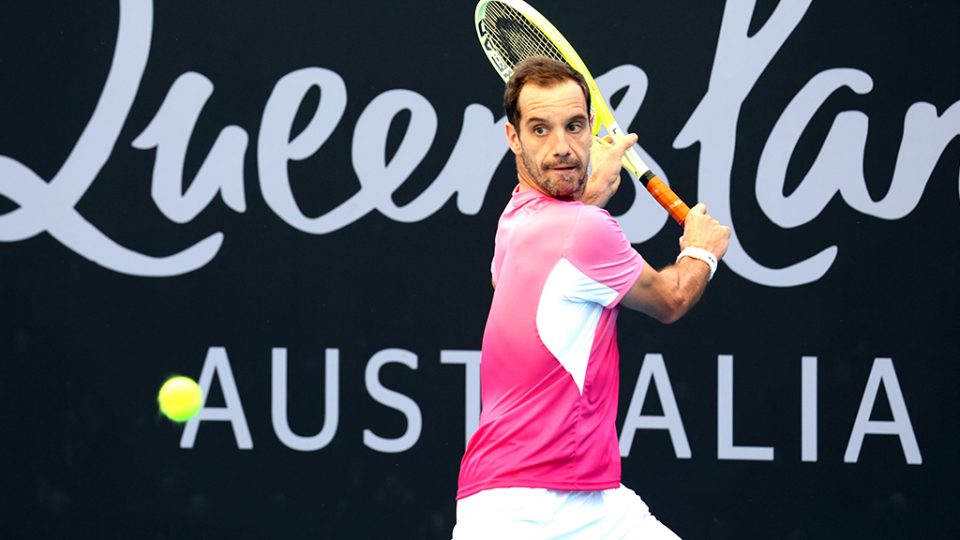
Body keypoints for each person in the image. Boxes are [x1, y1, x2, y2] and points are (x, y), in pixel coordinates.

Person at [451, 56, 730, 539]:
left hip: (588, 499)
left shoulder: (514, 220)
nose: (562, 147)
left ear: (592, 131)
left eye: (574, 126)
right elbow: (672, 299)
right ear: (512, 138)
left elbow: (558, 251)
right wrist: (702, 251)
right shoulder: (584, 228)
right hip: (521, 513)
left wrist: (587, 195)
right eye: (540, 130)